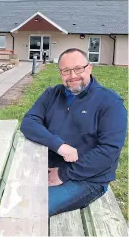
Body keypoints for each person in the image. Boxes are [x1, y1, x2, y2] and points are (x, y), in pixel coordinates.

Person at [20, 48, 127, 217]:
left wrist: (63, 174)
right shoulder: (52, 94)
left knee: (30, 209)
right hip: (48, 167)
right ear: (60, 72)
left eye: (78, 69)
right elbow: (29, 122)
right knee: (13, 194)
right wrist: (59, 145)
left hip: (88, 179)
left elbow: (109, 152)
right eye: (66, 71)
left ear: (89, 68)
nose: (72, 76)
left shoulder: (110, 102)